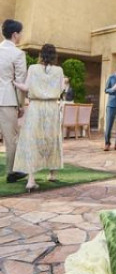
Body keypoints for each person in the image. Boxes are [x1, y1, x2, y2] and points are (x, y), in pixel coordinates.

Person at [13, 43, 64, 192]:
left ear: (41, 55)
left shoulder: (33, 68)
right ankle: (52, 174)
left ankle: (31, 180)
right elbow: (61, 88)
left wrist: (14, 83)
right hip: (52, 107)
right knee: (52, 138)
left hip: (36, 106)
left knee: (32, 140)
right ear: (54, 56)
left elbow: (26, 87)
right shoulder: (59, 70)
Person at [0, 19, 27, 184]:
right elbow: (20, 82)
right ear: (15, 34)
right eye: (21, 33)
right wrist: (21, 105)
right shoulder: (18, 54)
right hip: (7, 100)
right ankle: (11, 173)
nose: (21, 36)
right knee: (11, 139)